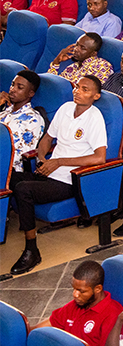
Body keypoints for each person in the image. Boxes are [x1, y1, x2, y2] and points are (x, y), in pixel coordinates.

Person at [8, 75, 107, 276]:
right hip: (50, 170)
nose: (77, 91)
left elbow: (99, 157)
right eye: (77, 87)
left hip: (70, 179)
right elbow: (47, 138)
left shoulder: (94, 117)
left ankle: (31, 250)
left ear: (96, 96)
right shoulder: (65, 109)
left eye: (85, 89)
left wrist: (59, 162)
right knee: (10, 178)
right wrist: (42, 158)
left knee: (23, 189)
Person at [31, 261, 123, 346]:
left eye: (81, 291)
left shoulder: (113, 314)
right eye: (74, 289)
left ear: (97, 289)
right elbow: (42, 327)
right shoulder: (76, 304)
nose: (75, 294)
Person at [47, 33, 114, 85]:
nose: (76, 49)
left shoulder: (102, 66)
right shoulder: (72, 67)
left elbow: (95, 93)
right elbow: (52, 84)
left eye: (82, 48)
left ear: (93, 53)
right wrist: (57, 61)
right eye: (77, 45)